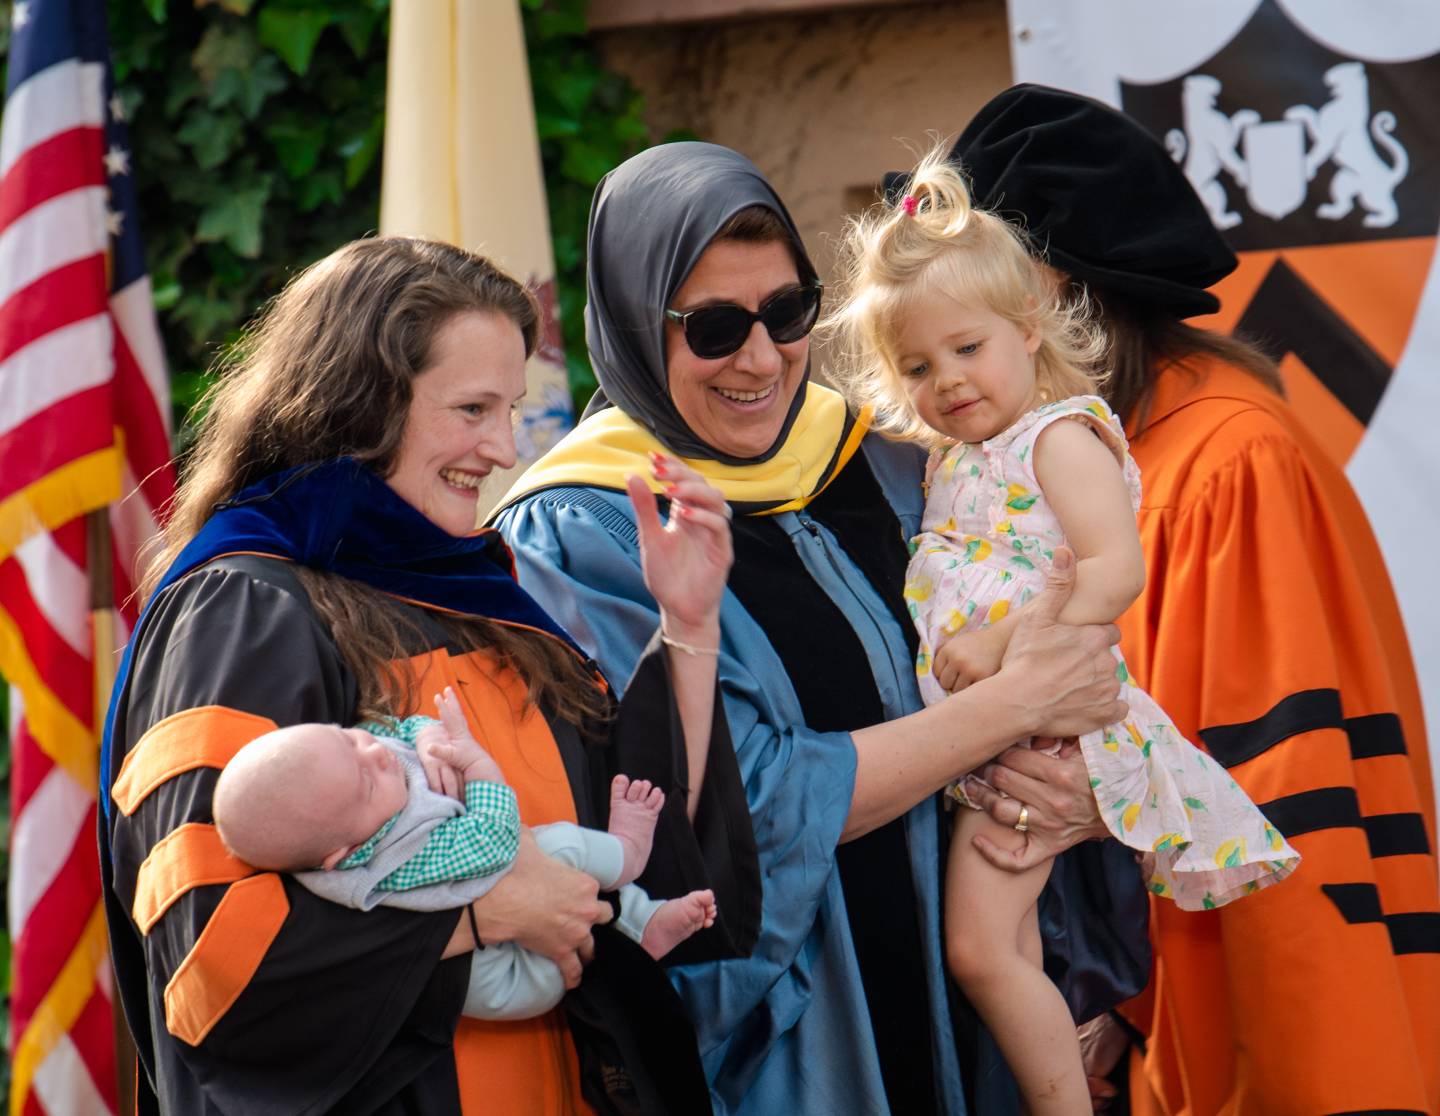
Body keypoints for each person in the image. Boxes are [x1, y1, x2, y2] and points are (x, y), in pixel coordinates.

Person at [492, 140, 1136, 1115]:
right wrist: (1016, 705)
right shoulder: (583, 534)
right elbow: (746, 804)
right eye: (712, 327)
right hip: (802, 1050)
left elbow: (1064, 649)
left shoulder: (886, 466)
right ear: (632, 325)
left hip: (983, 1024)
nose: (760, 358)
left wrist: (1081, 788)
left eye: (787, 311)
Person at [99, 237, 756, 1115]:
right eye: (472, 408)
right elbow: (210, 963)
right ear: (359, 403)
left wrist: (688, 623)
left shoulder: (481, 601)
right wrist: (482, 916)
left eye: (510, 410)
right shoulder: (246, 610)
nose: (501, 450)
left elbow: (640, 844)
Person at [945, 84, 1440, 1115]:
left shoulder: (1228, 462)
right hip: (1163, 1001)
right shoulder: (1101, 458)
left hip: (1274, 1022)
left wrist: (1107, 808)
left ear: (1050, 297)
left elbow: (1290, 794)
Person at [827, 145, 1299, 1113]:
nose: (948, 380)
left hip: (1044, 724)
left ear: (1030, 327)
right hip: (998, 728)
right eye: (916, 366)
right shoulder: (960, 459)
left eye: (968, 349)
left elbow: (1114, 569)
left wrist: (1007, 653)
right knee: (997, 946)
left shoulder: (1058, 437)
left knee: (982, 947)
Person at [212, 686, 718, 1021]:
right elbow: (494, 843)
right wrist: (477, 767)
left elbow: (395, 730)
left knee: (561, 876)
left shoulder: (349, 780)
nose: (378, 755)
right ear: (344, 853)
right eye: (368, 779)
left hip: (511, 917)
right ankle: (627, 858)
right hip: (505, 977)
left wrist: (428, 734)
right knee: (559, 846)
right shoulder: (393, 856)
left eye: (351, 738)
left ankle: (643, 922)